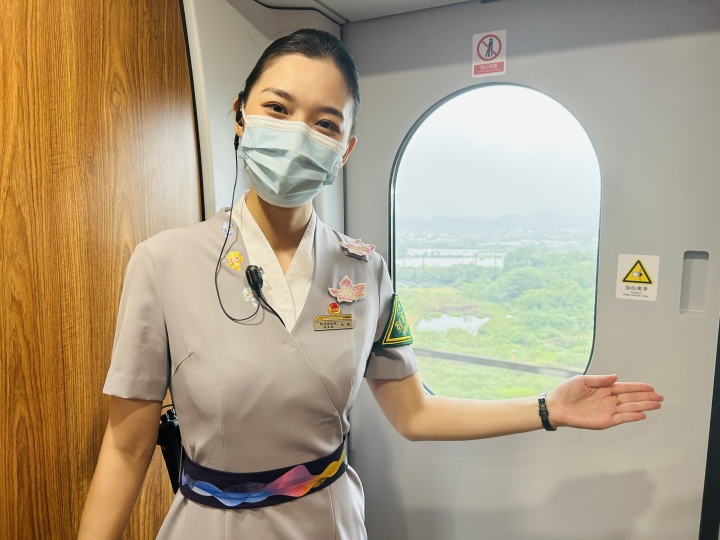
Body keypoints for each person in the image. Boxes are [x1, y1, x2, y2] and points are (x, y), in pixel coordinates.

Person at [78, 28, 663, 539]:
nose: (298, 134)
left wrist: (546, 407)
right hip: (214, 524)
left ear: (345, 150)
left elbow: (415, 414)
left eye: (325, 123)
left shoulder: (365, 271)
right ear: (239, 114)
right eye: (277, 108)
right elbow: (127, 446)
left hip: (329, 520)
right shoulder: (163, 262)